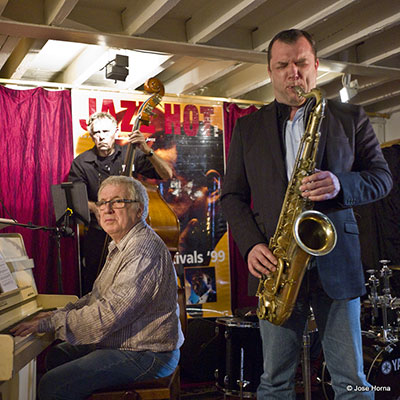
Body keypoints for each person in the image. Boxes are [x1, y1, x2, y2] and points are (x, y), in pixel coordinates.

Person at [221, 29, 392, 399]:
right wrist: (251, 245)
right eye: (282, 65)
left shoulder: (350, 116)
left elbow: (381, 179)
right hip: (277, 264)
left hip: (337, 262)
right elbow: (232, 197)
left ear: (315, 65)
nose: (292, 73)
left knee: (351, 381)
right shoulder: (248, 128)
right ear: (270, 72)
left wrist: (340, 184)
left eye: (300, 63)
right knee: (274, 381)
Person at [11, 175, 184, 400]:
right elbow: (98, 297)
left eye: (118, 201)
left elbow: (109, 315)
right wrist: (58, 314)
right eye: (102, 202)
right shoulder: (122, 244)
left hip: (148, 353)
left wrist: (52, 322)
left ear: (139, 210)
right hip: (127, 341)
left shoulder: (142, 249)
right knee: (57, 356)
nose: (107, 209)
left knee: (52, 384)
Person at [68, 111, 173, 294]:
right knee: (95, 283)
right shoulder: (81, 163)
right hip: (99, 233)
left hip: (130, 235)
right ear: (91, 135)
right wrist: (97, 208)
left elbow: (166, 174)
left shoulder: (129, 154)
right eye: (96, 132)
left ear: (116, 132)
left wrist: (147, 150)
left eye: (106, 131)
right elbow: (77, 197)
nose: (101, 136)